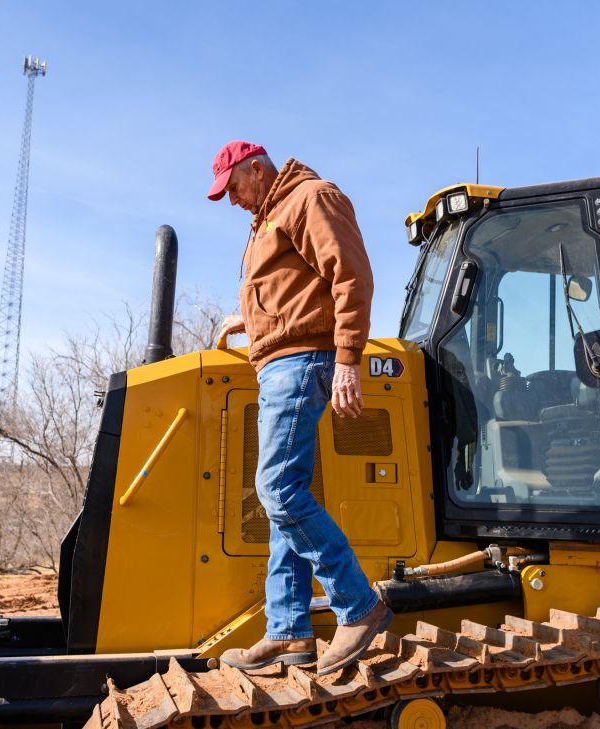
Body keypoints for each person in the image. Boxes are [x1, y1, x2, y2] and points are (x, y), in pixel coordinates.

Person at [208, 140, 391, 676]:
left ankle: (359, 605)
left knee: (277, 489)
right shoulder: (269, 216)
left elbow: (350, 276)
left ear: (256, 169)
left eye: (234, 188)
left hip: (302, 362)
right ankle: (288, 630)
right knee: (283, 500)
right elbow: (292, 291)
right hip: (277, 362)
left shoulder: (310, 198)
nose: (233, 200)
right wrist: (247, 319)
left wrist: (349, 359)